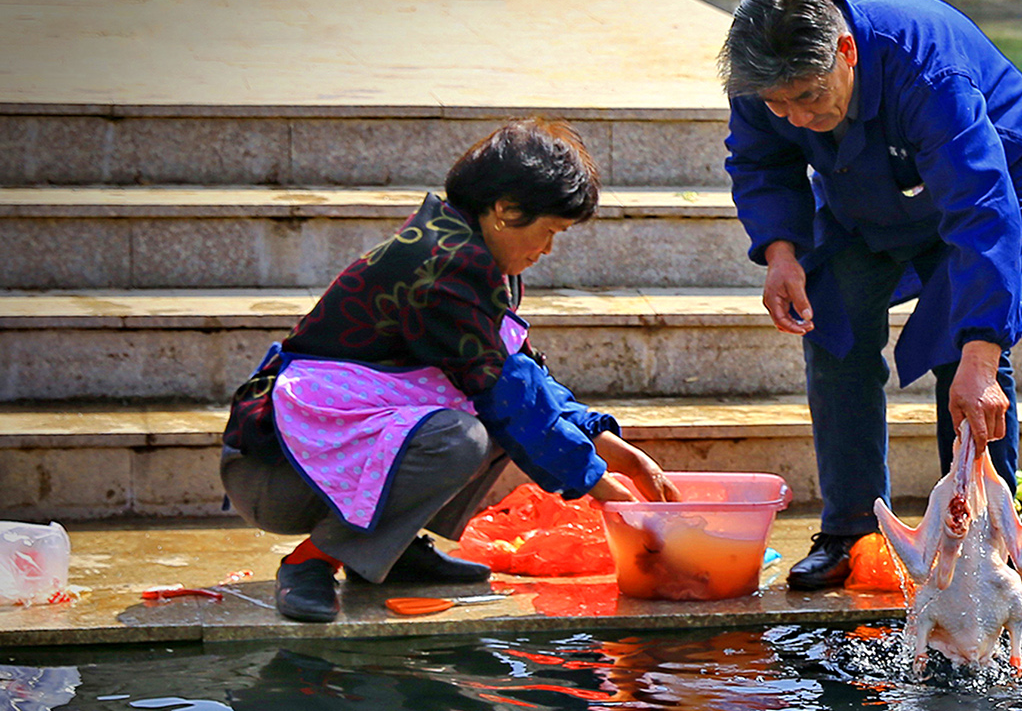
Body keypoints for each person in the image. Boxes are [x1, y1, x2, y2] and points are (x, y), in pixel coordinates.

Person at [220, 118, 679, 623]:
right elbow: (508, 399)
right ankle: (313, 561)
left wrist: (616, 451)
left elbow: (524, 378)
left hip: (321, 463)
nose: (548, 248)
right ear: (504, 210)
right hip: (278, 471)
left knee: (505, 423)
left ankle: (388, 551)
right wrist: (601, 486)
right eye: (548, 231)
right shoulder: (442, 268)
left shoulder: (477, 254)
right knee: (461, 437)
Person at [718, 0, 1022, 592]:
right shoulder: (765, 74)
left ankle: (985, 546)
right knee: (833, 328)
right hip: (864, 181)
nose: (797, 117)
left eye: (809, 98)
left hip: (989, 167)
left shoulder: (928, 74)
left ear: (846, 52)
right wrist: (782, 252)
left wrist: (983, 351)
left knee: (967, 355)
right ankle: (851, 530)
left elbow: (981, 211)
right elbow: (761, 160)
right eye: (779, 105)